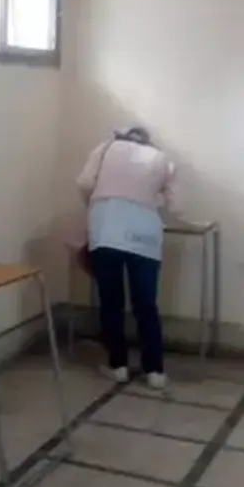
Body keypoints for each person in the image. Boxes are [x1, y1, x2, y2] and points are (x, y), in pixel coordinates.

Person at [76, 126, 180, 390]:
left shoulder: (105, 148)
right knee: (145, 303)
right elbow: (175, 205)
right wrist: (151, 202)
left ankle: (118, 366)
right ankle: (154, 371)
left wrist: (96, 204)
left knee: (111, 301)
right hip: (145, 234)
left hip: (106, 228)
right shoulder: (163, 159)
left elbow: (84, 183)